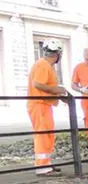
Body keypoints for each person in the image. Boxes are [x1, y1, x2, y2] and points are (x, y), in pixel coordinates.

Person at [27, 38, 68, 176]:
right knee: (43, 135)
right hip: (39, 104)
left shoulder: (45, 65)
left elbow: (43, 85)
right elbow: (38, 84)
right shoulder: (43, 65)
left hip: (44, 104)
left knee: (48, 135)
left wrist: (59, 94)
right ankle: (42, 167)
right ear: (58, 54)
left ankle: (46, 163)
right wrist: (57, 90)